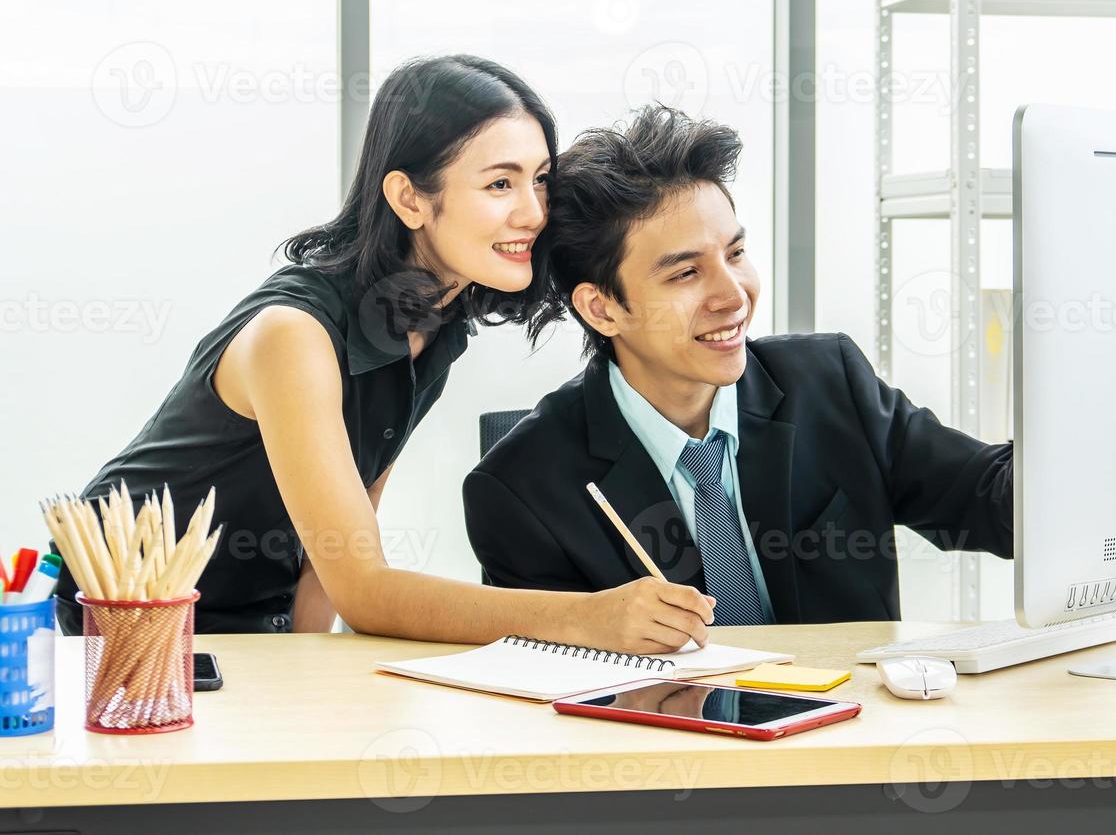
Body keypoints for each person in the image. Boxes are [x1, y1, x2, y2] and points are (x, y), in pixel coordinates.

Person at [54, 57, 713, 652]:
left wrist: (302, 673)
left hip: (241, 636)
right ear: (409, 198)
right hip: (115, 617)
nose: (534, 212)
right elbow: (364, 589)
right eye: (499, 185)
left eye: (540, 180)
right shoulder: (294, 335)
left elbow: (330, 558)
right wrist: (586, 619)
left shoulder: (437, 327)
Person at [463, 106, 1013, 624]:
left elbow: (989, 498)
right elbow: (552, 695)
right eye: (685, 274)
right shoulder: (520, 488)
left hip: (853, 721)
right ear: (602, 308)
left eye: (735, 254)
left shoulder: (830, 382)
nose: (734, 296)